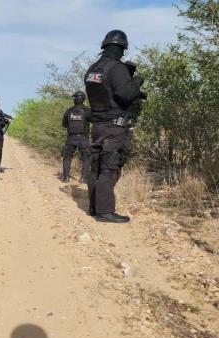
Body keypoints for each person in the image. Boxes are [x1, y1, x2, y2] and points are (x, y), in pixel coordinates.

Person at [84, 29, 144, 224]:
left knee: (97, 168)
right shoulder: (117, 68)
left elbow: (105, 93)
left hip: (99, 126)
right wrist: (136, 81)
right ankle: (105, 211)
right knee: (109, 169)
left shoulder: (93, 69)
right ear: (122, 49)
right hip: (115, 127)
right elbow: (125, 95)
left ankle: (93, 207)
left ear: (104, 46)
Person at [60, 91, 92, 183]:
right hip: (83, 138)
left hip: (71, 138)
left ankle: (66, 177)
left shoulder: (69, 111)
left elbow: (64, 124)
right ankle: (84, 178)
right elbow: (93, 120)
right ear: (83, 99)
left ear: (74, 99)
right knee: (86, 158)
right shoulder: (87, 111)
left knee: (67, 157)